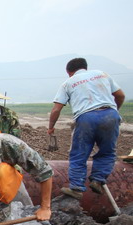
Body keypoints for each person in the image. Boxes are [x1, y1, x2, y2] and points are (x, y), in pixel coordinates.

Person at [48, 57, 125, 200]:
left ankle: (77, 188)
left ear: (69, 72)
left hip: (86, 118)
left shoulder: (68, 83)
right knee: (107, 152)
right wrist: (114, 111)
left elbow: (56, 109)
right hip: (110, 114)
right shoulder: (102, 74)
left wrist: (51, 127)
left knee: (79, 154)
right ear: (85, 68)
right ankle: (97, 180)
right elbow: (120, 95)